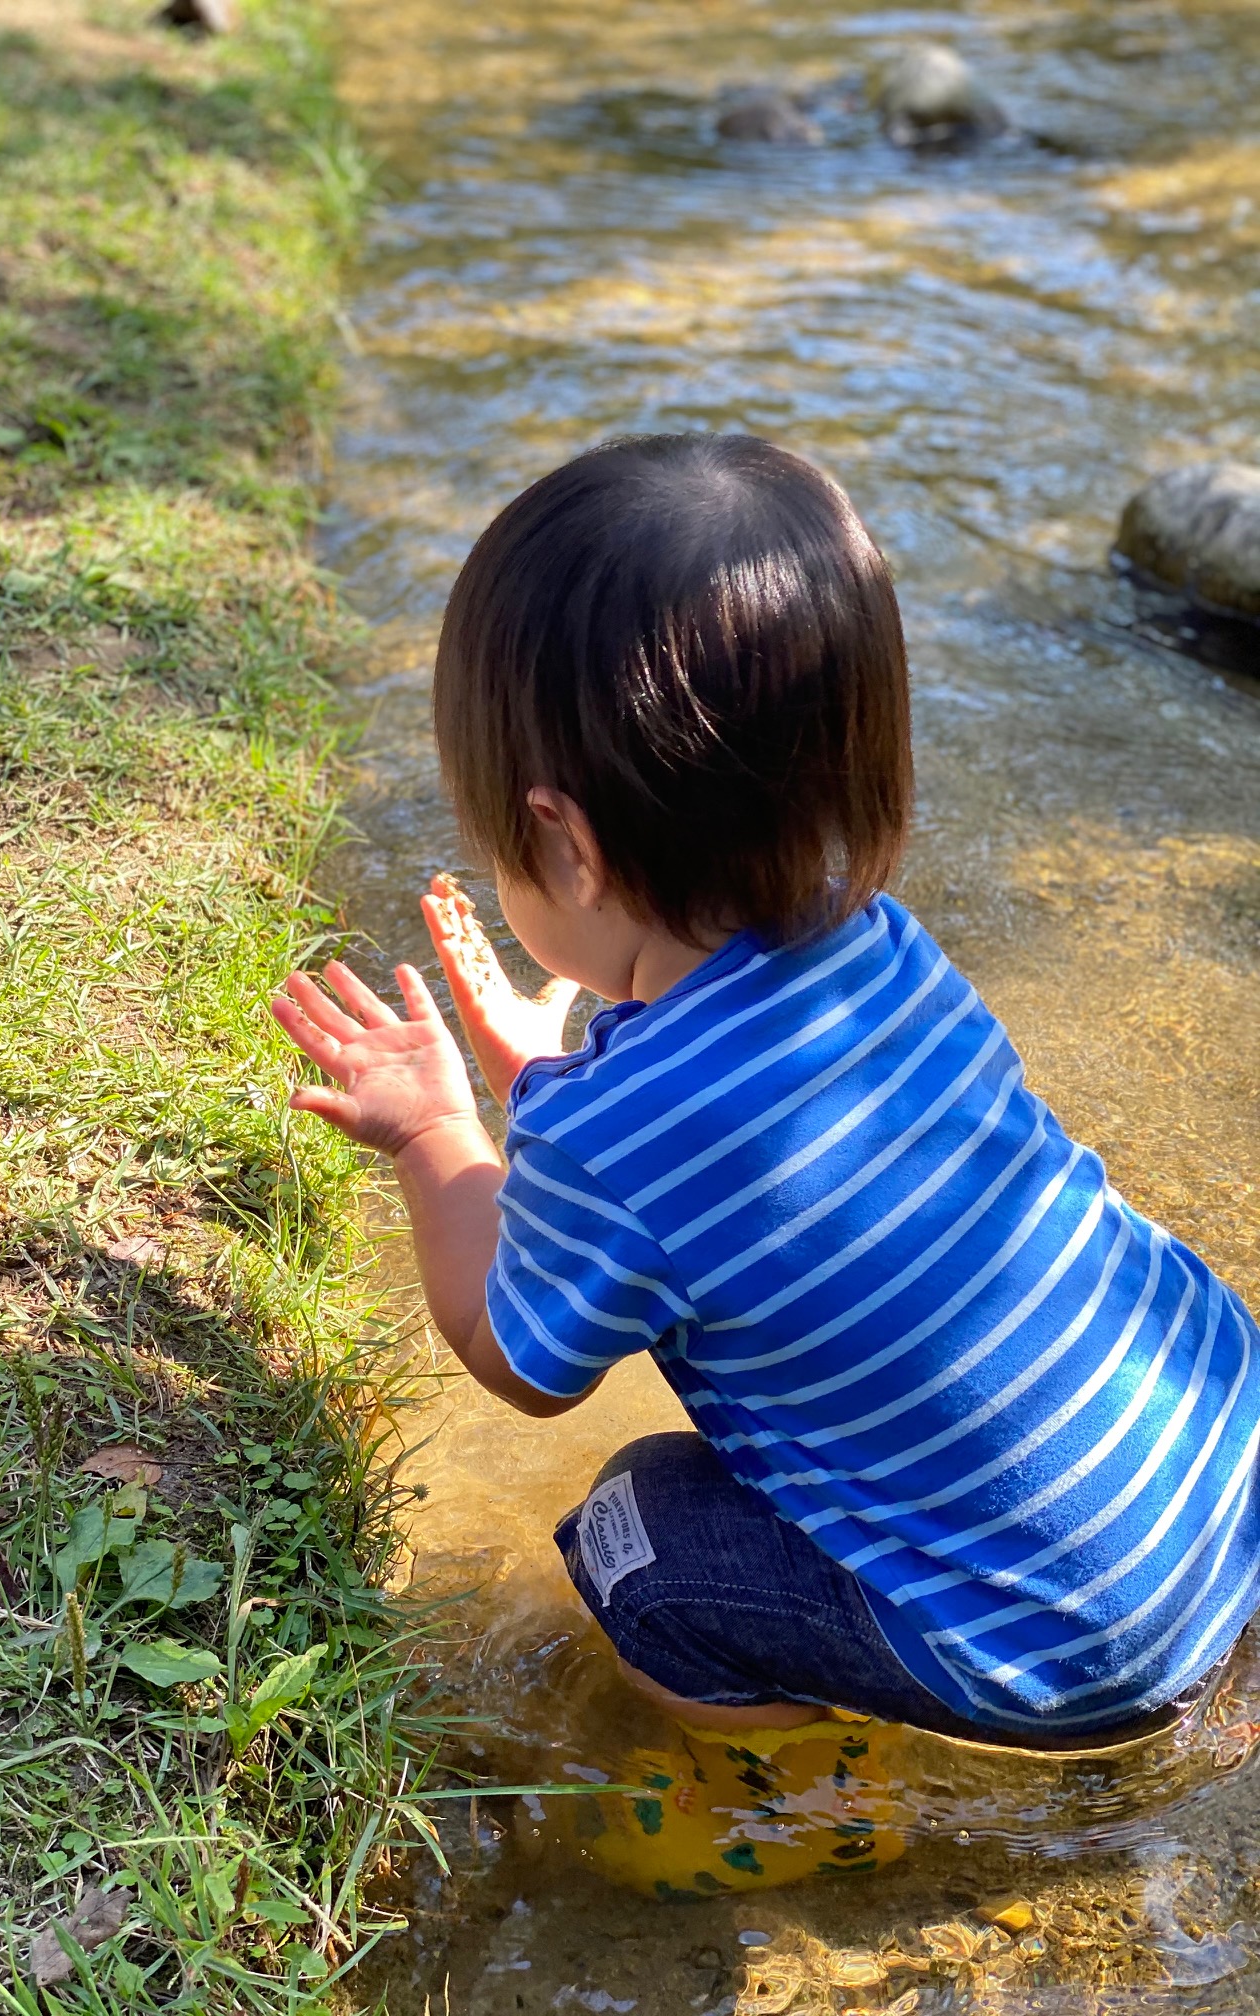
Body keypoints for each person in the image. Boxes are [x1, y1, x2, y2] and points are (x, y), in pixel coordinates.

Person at [270, 433, 1260, 1751]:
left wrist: (439, 1127)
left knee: (639, 1539)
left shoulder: (614, 1138)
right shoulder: (888, 951)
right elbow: (749, 1153)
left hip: (1061, 1659)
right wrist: (548, 1084)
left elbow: (516, 1362)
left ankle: (806, 1795)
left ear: (563, 845)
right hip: (1218, 1481)